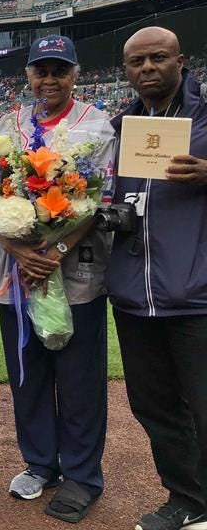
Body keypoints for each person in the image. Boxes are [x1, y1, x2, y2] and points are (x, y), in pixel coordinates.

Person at [0, 36, 114, 523]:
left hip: (76, 270)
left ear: (75, 74)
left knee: (79, 379)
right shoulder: (9, 124)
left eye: (60, 69)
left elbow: (97, 199)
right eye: (41, 70)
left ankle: (82, 475)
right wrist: (20, 249)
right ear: (28, 74)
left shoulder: (95, 125)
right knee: (29, 375)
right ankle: (41, 463)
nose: (50, 79)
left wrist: (54, 249)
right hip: (16, 271)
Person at [107, 26, 207, 530]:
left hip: (195, 293)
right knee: (154, 406)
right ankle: (187, 498)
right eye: (136, 62)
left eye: (158, 58)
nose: (147, 68)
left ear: (180, 61)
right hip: (132, 293)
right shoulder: (119, 126)